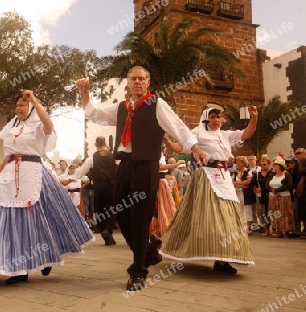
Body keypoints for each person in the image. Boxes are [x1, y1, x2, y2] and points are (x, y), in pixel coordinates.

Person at [76, 66, 208, 291]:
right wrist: (84, 92)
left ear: (148, 82)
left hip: (146, 165)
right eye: (133, 79)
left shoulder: (156, 104)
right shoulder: (121, 107)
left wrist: (195, 147)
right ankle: (147, 252)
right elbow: (94, 114)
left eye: (141, 78)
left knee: (140, 217)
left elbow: (178, 127)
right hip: (125, 164)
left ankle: (138, 271)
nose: (137, 82)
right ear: (128, 83)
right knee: (119, 210)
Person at [0, 90, 93, 285]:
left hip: (34, 173)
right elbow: (8, 156)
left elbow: (49, 125)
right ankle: (19, 269)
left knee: (40, 220)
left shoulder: (38, 123)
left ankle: (45, 255)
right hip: (11, 176)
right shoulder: (12, 125)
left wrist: (35, 100)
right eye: (17, 105)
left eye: (23, 105)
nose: (19, 108)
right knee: (10, 221)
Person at [161, 104, 258, 274]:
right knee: (209, 215)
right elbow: (182, 146)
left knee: (228, 216)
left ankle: (223, 258)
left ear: (222, 119)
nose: (215, 120)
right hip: (206, 177)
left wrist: (254, 117)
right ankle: (204, 251)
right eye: (212, 117)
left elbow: (247, 133)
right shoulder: (197, 132)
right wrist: (169, 142)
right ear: (206, 119)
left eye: (218, 117)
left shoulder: (226, 135)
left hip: (224, 177)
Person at [63, 136, 117, 246]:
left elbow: (81, 172)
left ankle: (103, 230)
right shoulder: (112, 157)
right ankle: (108, 229)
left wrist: (69, 181)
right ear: (105, 144)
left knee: (100, 209)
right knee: (112, 209)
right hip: (111, 187)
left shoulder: (91, 158)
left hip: (98, 187)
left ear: (95, 145)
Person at [266, 156, 294, 238]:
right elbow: (267, 185)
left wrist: (278, 190)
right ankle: (277, 230)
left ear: (280, 166)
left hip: (284, 197)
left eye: (276, 165)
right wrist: (273, 190)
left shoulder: (286, 174)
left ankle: (286, 231)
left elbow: (289, 184)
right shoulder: (272, 175)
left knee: (284, 213)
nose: (274, 167)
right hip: (273, 197)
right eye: (274, 165)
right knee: (274, 213)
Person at [232, 156, 255, 234]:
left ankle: (249, 229)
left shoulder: (248, 171)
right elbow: (232, 183)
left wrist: (238, 184)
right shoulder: (235, 173)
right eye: (237, 162)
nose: (237, 164)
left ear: (243, 163)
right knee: (240, 211)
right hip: (238, 194)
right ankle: (241, 228)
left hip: (246, 194)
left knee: (248, 210)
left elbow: (248, 182)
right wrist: (242, 185)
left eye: (239, 162)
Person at [253, 155, 274, 236]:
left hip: (271, 195)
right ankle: (266, 229)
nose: (262, 166)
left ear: (269, 164)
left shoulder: (272, 173)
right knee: (264, 213)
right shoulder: (257, 174)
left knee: (272, 213)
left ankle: (274, 228)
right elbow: (253, 184)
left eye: (264, 164)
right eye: (261, 164)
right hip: (261, 196)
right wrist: (256, 189)